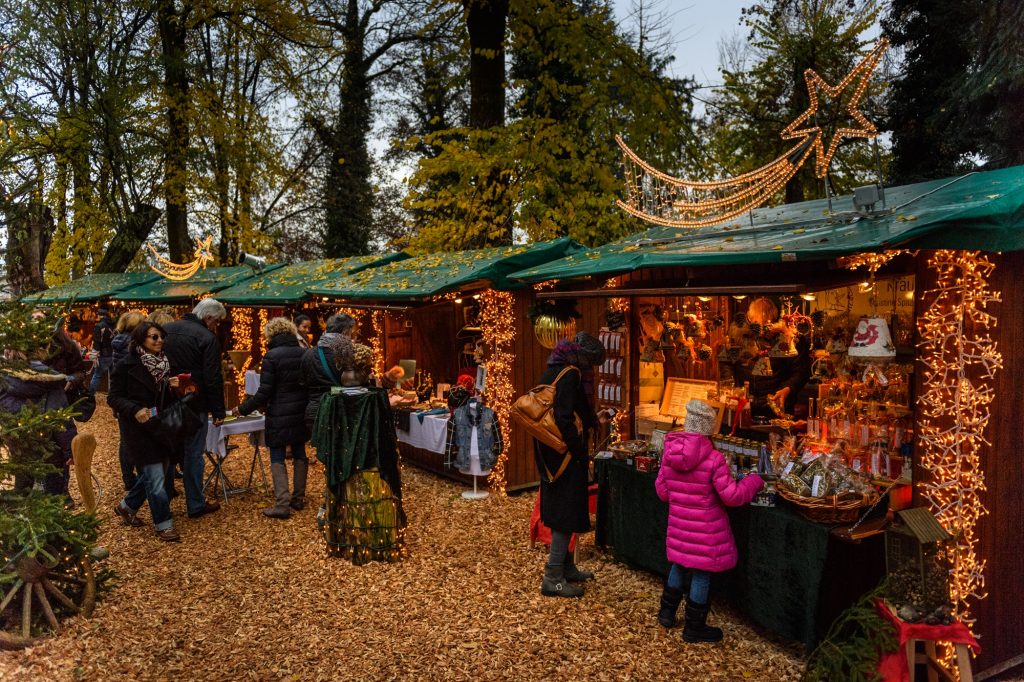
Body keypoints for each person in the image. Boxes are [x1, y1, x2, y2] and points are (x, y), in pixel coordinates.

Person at [654, 399, 764, 643]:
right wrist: (754, 481)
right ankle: (694, 628)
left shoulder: (670, 452)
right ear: (708, 429)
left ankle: (666, 613)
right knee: (701, 574)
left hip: (680, 527)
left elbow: (662, 492)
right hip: (705, 531)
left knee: (679, 565)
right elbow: (732, 497)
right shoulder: (714, 459)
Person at [533, 332, 605, 599]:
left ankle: (567, 566)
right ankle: (553, 577)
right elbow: (564, 417)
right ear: (582, 357)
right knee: (565, 510)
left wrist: (590, 420)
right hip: (562, 455)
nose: (591, 370)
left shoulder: (553, 368)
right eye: (591, 363)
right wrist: (579, 451)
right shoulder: (571, 374)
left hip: (549, 452)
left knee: (565, 507)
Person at [108, 322, 182, 542]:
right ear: (141, 340)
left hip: (160, 426)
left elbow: (160, 400)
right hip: (138, 430)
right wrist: (135, 409)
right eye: (154, 337)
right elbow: (113, 397)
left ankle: (126, 506)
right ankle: (164, 525)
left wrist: (171, 387)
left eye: (161, 336)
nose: (160, 341)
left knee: (156, 472)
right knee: (156, 478)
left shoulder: (164, 364)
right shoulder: (125, 365)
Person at [232, 318, 310, 518]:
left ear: (271, 334)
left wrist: (242, 409)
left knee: (277, 455)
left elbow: (263, 393)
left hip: (279, 413)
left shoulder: (271, 356)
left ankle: (282, 504)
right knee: (300, 452)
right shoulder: (304, 353)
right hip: (301, 411)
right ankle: (298, 498)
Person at [162, 298, 226, 519]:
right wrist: (219, 410)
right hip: (195, 403)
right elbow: (212, 377)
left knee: (167, 452)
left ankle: (164, 500)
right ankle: (195, 503)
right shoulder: (207, 338)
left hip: (166, 400)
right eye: (216, 322)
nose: (216, 326)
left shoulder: (166, 330)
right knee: (193, 454)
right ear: (208, 317)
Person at [300, 313, 355, 429]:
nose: (351, 337)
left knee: (322, 447)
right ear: (345, 331)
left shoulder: (308, 353)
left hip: (314, 412)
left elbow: (302, 383)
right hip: (340, 412)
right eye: (351, 333)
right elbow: (356, 383)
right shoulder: (348, 353)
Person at [88, 307, 116, 393]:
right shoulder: (113, 324)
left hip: (104, 354)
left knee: (97, 375)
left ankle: (90, 394)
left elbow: (97, 341)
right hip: (114, 353)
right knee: (113, 376)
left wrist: (94, 355)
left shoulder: (99, 326)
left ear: (99, 316)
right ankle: (113, 394)